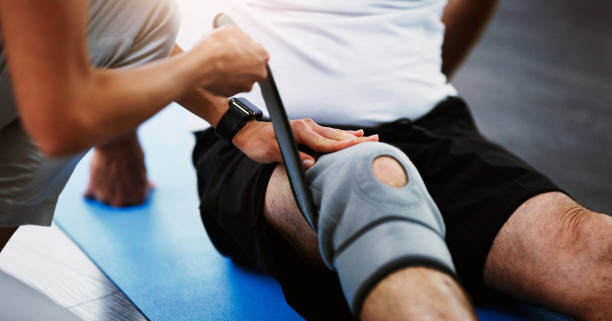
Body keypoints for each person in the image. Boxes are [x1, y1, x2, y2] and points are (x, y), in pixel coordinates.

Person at [184, 1, 611, 320]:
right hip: (261, 135)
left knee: (591, 247)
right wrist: (117, 139)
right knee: (372, 184)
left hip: (431, 125)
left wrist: (402, 83)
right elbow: (123, 24)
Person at [0, 0, 372, 252]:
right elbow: (62, 121)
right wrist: (204, 63)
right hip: (57, 115)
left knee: (142, 15)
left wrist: (238, 124)